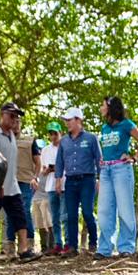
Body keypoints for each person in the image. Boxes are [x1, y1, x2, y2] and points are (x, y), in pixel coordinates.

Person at [0, 102, 39, 262]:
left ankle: (23, 250)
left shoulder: (11, 135)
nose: (14, 119)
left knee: (20, 216)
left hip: (12, 184)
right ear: (2, 114)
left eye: (16, 117)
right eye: (11, 115)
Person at [96, 96, 138, 257]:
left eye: (103, 105)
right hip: (105, 171)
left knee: (125, 209)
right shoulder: (104, 128)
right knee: (104, 210)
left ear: (111, 107)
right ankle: (104, 249)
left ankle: (126, 247)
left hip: (121, 169)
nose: (100, 108)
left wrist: (134, 157)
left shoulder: (127, 124)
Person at [54, 106, 99, 257]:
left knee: (87, 212)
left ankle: (93, 242)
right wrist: (58, 180)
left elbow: (99, 159)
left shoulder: (91, 138)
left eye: (69, 120)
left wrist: (99, 179)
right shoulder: (64, 141)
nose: (67, 123)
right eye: (66, 120)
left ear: (79, 120)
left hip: (87, 180)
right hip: (70, 181)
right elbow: (59, 161)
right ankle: (72, 246)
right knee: (70, 215)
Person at [38, 121, 64, 254]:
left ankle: (70, 244)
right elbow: (43, 169)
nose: (53, 136)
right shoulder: (45, 150)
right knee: (55, 217)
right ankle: (58, 244)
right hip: (51, 186)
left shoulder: (66, 146)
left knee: (66, 215)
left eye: (55, 133)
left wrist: (57, 168)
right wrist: (46, 170)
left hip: (65, 185)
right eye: (51, 134)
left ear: (61, 133)